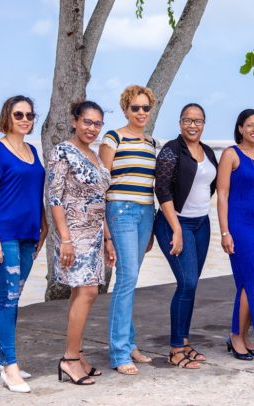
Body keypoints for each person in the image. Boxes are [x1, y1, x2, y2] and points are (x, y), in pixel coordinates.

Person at [0, 95, 47, 393]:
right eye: (19, 114)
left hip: (28, 235)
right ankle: (10, 367)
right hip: (3, 236)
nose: (25, 119)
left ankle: (0, 356)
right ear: (7, 116)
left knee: (13, 297)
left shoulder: (32, 151)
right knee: (6, 298)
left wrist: (43, 227)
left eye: (30, 115)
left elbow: (34, 193)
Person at [48, 100, 115, 385]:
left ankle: (78, 354)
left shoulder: (96, 155)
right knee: (86, 292)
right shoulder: (62, 151)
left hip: (96, 233)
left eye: (97, 123)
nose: (92, 128)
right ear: (75, 120)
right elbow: (53, 197)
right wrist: (65, 239)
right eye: (87, 122)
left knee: (84, 294)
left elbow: (100, 200)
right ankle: (69, 360)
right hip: (73, 234)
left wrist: (108, 238)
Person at [99, 85, 157, 374]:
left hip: (146, 213)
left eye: (146, 107)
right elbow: (101, 186)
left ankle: (130, 343)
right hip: (120, 211)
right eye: (136, 107)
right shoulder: (113, 138)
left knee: (130, 280)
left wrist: (154, 223)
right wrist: (106, 234)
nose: (141, 112)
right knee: (126, 278)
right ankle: (119, 351)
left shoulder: (151, 143)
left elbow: (151, 186)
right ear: (126, 110)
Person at [154, 103, 218, 369]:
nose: (193, 125)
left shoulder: (209, 151)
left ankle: (184, 340)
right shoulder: (171, 150)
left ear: (204, 124)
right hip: (174, 223)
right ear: (180, 123)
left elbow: (210, 186)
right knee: (187, 283)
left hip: (201, 224)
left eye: (198, 121)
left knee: (191, 286)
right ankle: (175, 349)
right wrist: (177, 228)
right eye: (188, 120)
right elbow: (163, 189)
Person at [217, 108, 254, 361]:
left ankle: (243, 336)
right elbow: (222, 195)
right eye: (250, 125)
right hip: (239, 226)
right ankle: (236, 337)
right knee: (251, 281)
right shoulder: (231, 154)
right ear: (240, 128)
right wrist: (224, 232)